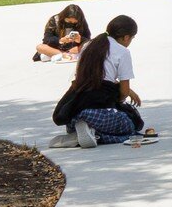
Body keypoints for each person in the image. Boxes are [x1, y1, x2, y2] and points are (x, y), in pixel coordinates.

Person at [52, 15, 147, 146]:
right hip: (96, 114)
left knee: (117, 118)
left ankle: (80, 133)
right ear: (126, 37)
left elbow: (93, 79)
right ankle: (96, 135)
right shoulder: (122, 52)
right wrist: (119, 100)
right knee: (131, 126)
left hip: (74, 114)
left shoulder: (88, 45)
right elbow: (123, 93)